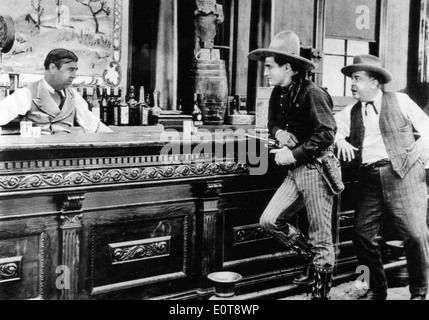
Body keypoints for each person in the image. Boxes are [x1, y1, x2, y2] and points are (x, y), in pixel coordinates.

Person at [248, 30, 338, 300]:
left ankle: (320, 294)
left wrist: (293, 154)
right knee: (269, 220)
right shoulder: (278, 92)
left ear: (287, 67)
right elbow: (271, 122)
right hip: (295, 172)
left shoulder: (313, 93)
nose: (266, 73)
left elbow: (327, 134)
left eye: (270, 67)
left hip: (316, 171)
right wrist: (278, 134)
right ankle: (314, 258)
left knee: (321, 234)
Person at [334, 54, 429, 300]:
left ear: (374, 81)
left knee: (416, 235)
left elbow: (427, 127)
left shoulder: (400, 100)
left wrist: (418, 153)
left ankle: (419, 292)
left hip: (404, 175)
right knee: (361, 235)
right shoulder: (350, 111)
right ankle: (378, 288)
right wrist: (340, 139)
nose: (352, 84)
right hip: (369, 179)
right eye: (351, 79)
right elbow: (331, 130)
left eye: (357, 78)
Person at [0, 48, 112, 134]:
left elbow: (94, 126)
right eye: (70, 70)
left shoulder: (73, 96)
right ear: (53, 68)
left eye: (75, 70)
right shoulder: (27, 93)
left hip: (65, 158)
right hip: (35, 158)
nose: (74, 76)